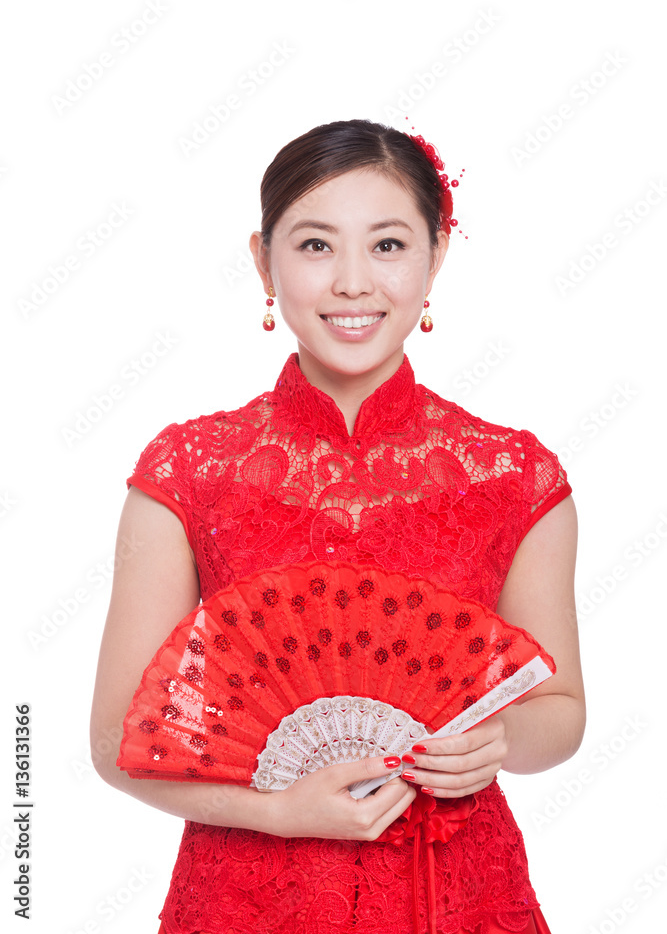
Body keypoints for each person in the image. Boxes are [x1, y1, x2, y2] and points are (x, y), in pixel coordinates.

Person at [90, 118, 585, 934]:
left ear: (437, 255)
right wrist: (280, 812)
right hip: (245, 895)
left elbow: (559, 712)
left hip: (454, 888)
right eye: (316, 246)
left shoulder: (512, 476)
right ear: (263, 261)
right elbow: (118, 739)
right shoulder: (189, 471)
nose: (353, 282)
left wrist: (495, 737)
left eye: (387, 246)